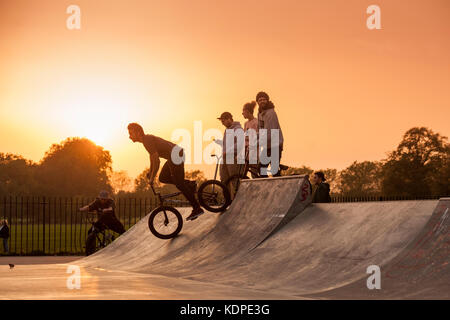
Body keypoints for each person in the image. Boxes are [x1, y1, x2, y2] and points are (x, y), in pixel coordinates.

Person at [127, 122, 204, 221]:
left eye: (131, 133)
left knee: (179, 183)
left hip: (176, 155)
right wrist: (151, 172)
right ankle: (190, 184)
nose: (129, 137)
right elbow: (152, 159)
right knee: (163, 177)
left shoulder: (147, 141)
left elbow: (157, 161)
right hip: (173, 156)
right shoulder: (146, 140)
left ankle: (197, 208)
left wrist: (151, 178)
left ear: (138, 133)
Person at [256, 91, 284, 177]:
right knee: (261, 170)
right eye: (260, 100)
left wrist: (257, 143)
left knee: (274, 171)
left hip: (275, 144)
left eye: (264, 99)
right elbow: (261, 129)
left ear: (267, 100)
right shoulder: (260, 113)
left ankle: (280, 188)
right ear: (257, 102)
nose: (262, 101)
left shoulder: (271, 113)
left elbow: (270, 132)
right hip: (267, 145)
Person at [215, 112, 244, 186]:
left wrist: (227, 151)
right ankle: (227, 197)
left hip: (234, 158)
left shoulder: (238, 129)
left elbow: (240, 143)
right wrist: (220, 143)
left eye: (223, 121)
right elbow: (228, 144)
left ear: (229, 119)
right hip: (225, 158)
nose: (222, 123)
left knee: (234, 180)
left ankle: (237, 197)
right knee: (224, 180)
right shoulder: (227, 130)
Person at [242, 101, 259, 178]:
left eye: (243, 112)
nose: (242, 114)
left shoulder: (256, 122)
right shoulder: (246, 123)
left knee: (254, 172)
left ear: (248, 112)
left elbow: (258, 136)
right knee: (244, 171)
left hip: (254, 151)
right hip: (246, 150)